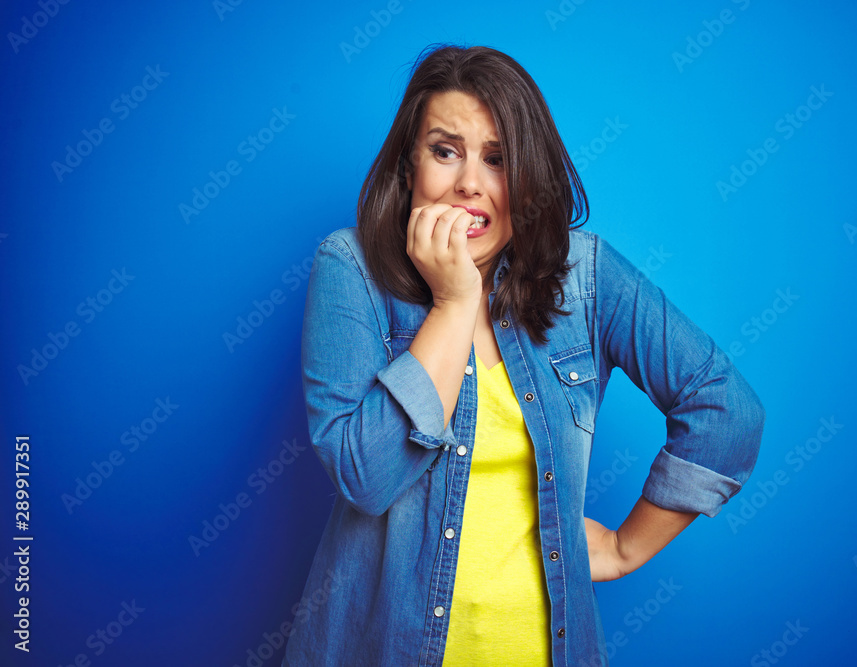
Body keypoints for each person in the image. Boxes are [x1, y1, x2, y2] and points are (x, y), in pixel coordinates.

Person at [282, 43, 765, 667]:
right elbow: (365, 480)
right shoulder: (351, 269)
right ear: (408, 167)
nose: (470, 183)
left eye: (498, 159)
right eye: (445, 151)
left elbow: (728, 411)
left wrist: (625, 548)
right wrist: (453, 304)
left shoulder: (584, 278)